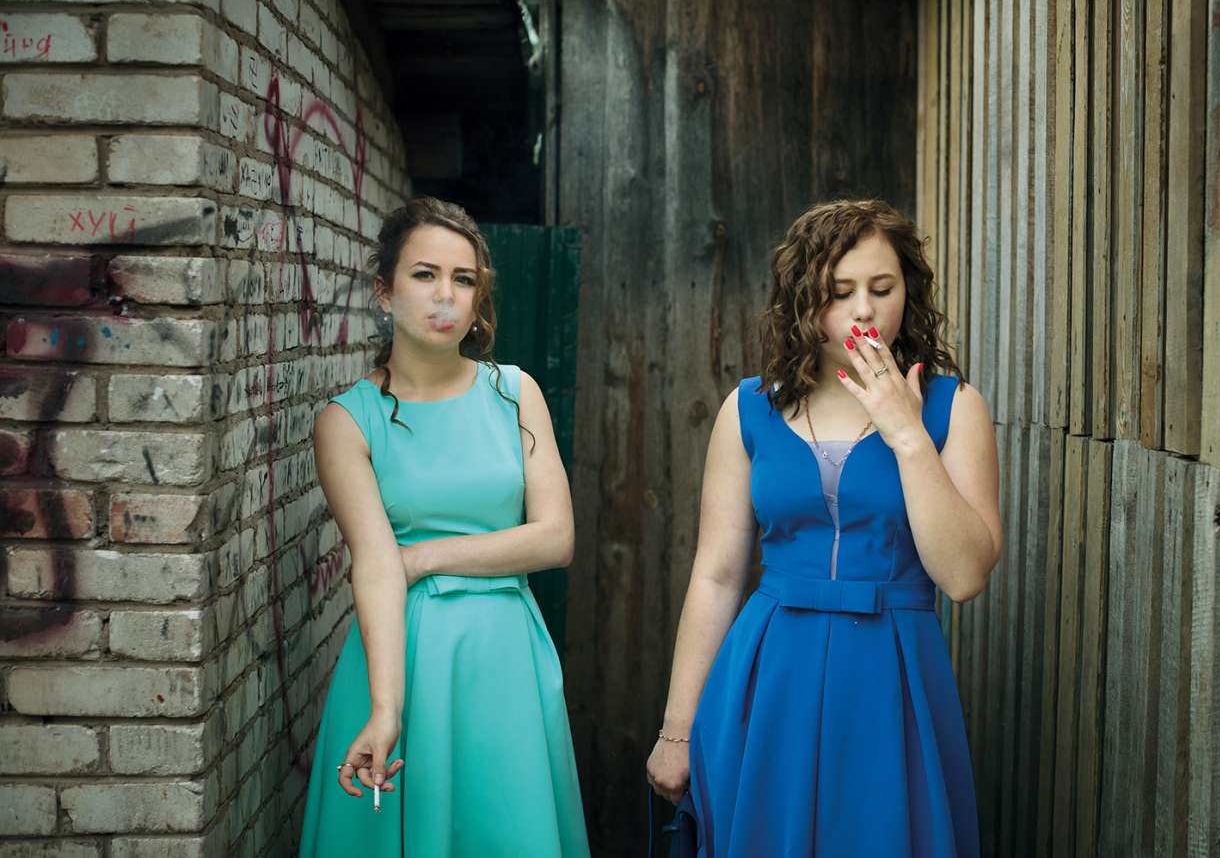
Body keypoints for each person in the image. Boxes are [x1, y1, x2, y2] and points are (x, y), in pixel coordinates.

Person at [646, 199, 1000, 856]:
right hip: (768, 675)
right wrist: (676, 729)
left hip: (892, 674)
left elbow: (964, 576)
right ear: (804, 299)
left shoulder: (955, 408)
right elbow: (717, 575)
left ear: (908, 292)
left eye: (882, 288)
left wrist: (907, 435)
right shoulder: (748, 409)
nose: (864, 310)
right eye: (840, 292)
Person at [299, 197, 591, 857]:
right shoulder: (346, 421)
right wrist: (385, 707)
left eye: (463, 279)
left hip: (505, 656)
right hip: (401, 654)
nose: (446, 296)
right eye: (425, 275)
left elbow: (555, 538)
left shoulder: (515, 392)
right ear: (385, 291)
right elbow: (376, 565)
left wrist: (423, 557)